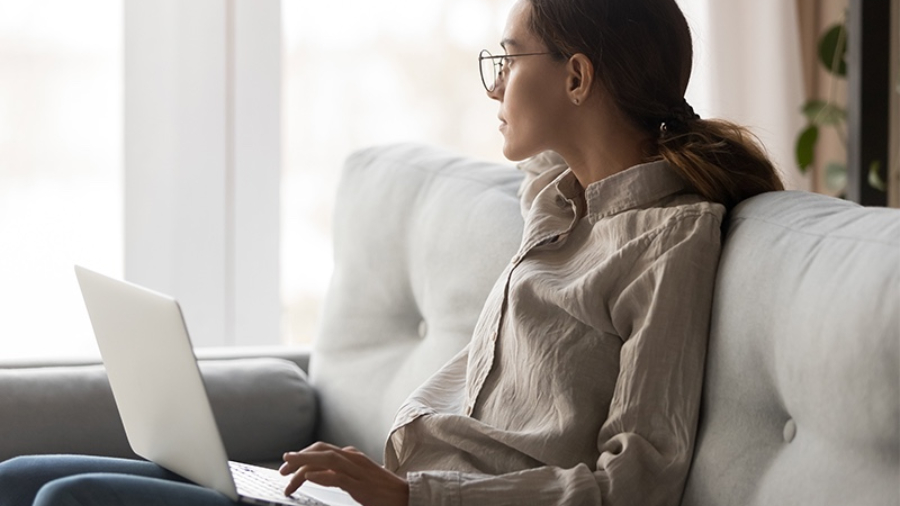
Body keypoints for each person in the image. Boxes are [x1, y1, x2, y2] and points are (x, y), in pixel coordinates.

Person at [0, 0, 783, 505]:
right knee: (20, 478)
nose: (494, 86)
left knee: (67, 500)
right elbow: (582, 148)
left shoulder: (668, 242)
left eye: (508, 59)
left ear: (576, 76)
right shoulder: (557, 205)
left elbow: (636, 484)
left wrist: (412, 499)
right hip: (391, 491)